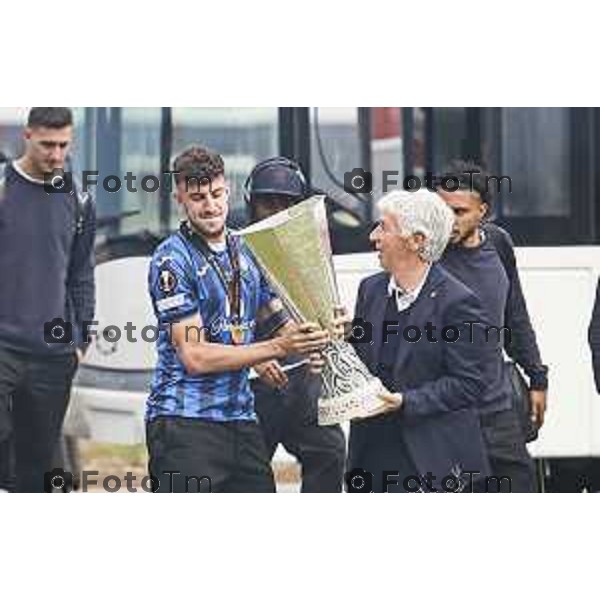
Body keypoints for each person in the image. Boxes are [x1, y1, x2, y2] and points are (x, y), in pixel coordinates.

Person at [146, 147, 329, 493]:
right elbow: (196, 357)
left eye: (216, 194)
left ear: (227, 190)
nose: (210, 206)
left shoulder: (246, 248)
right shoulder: (171, 260)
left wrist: (312, 341)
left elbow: (277, 320)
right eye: (197, 197)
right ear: (179, 198)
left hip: (241, 419)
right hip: (185, 421)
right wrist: (276, 348)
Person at [346, 189, 491, 493]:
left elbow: (469, 384)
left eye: (383, 227)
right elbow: (360, 361)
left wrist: (405, 402)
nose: (373, 236)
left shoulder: (458, 302)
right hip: (371, 457)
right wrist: (332, 350)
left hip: (429, 461)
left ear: (417, 241)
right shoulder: (370, 290)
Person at [436, 160, 548, 493]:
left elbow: (515, 316)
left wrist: (538, 377)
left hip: (498, 408)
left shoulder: (499, 243)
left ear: (482, 211)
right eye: (442, 211)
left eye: (459, 212)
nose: (449, 221)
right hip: (449, 411)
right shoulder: (427, 253)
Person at [0, 107, 96, 492]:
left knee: (37, 468)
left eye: (63, 145)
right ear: (27, 137)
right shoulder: (4, 189)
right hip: (2, 346)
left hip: (54, 355)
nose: (56, 155)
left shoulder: (79, 199)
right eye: (47, 145)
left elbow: (81, 274)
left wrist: (80, 341)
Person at [244, 157, 345, 492]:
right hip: (255, 384)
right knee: (251, 478)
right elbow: (217, 323)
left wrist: (334, 326)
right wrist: (254, 356)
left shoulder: (309, 245)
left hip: (304, 381)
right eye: (267, 202)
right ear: (251, 203)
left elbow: (322, 311)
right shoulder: (234, 249)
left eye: (286, 203)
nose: (276, 211)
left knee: (330, 453)